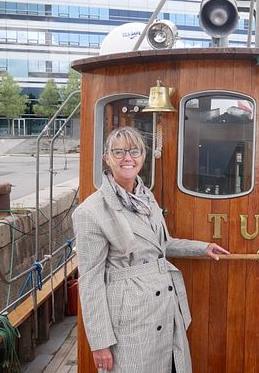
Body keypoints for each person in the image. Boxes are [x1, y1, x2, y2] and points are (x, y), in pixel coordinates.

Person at [73, 126, 229, 373]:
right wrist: (100, 343)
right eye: (119, 152)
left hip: (164, 306)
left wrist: (202, 248)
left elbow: (161, 244)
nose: (128, 158)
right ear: (107, 158)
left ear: (143, 157)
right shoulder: (91, 211)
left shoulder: (146, 197)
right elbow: (90, 281)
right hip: (130, 318)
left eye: (134, 151)